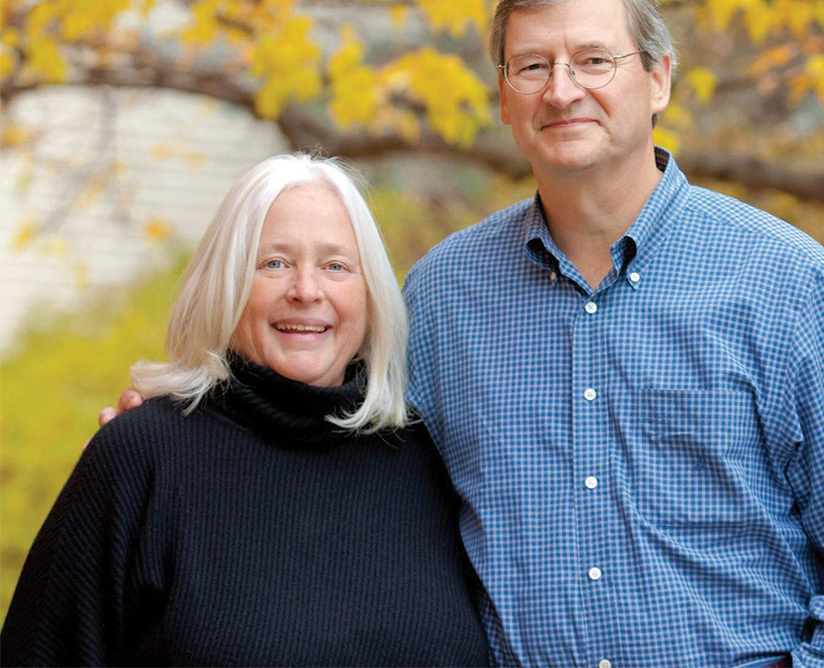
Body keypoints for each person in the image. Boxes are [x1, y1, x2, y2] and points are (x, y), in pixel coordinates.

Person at [100, 0, 824, 666]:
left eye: (594, 60)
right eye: (533, 66)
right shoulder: (441, 300)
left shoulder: (784, 286)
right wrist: (175, 443)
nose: (562, 90)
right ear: (505, 95)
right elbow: (320, 435)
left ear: (657, 79)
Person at [1, 154, 488, 666]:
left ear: (370, 295)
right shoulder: (142, 457)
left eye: (335, 265)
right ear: (226, 283)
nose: (305, 290)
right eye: (273, 263)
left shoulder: (424, 453)